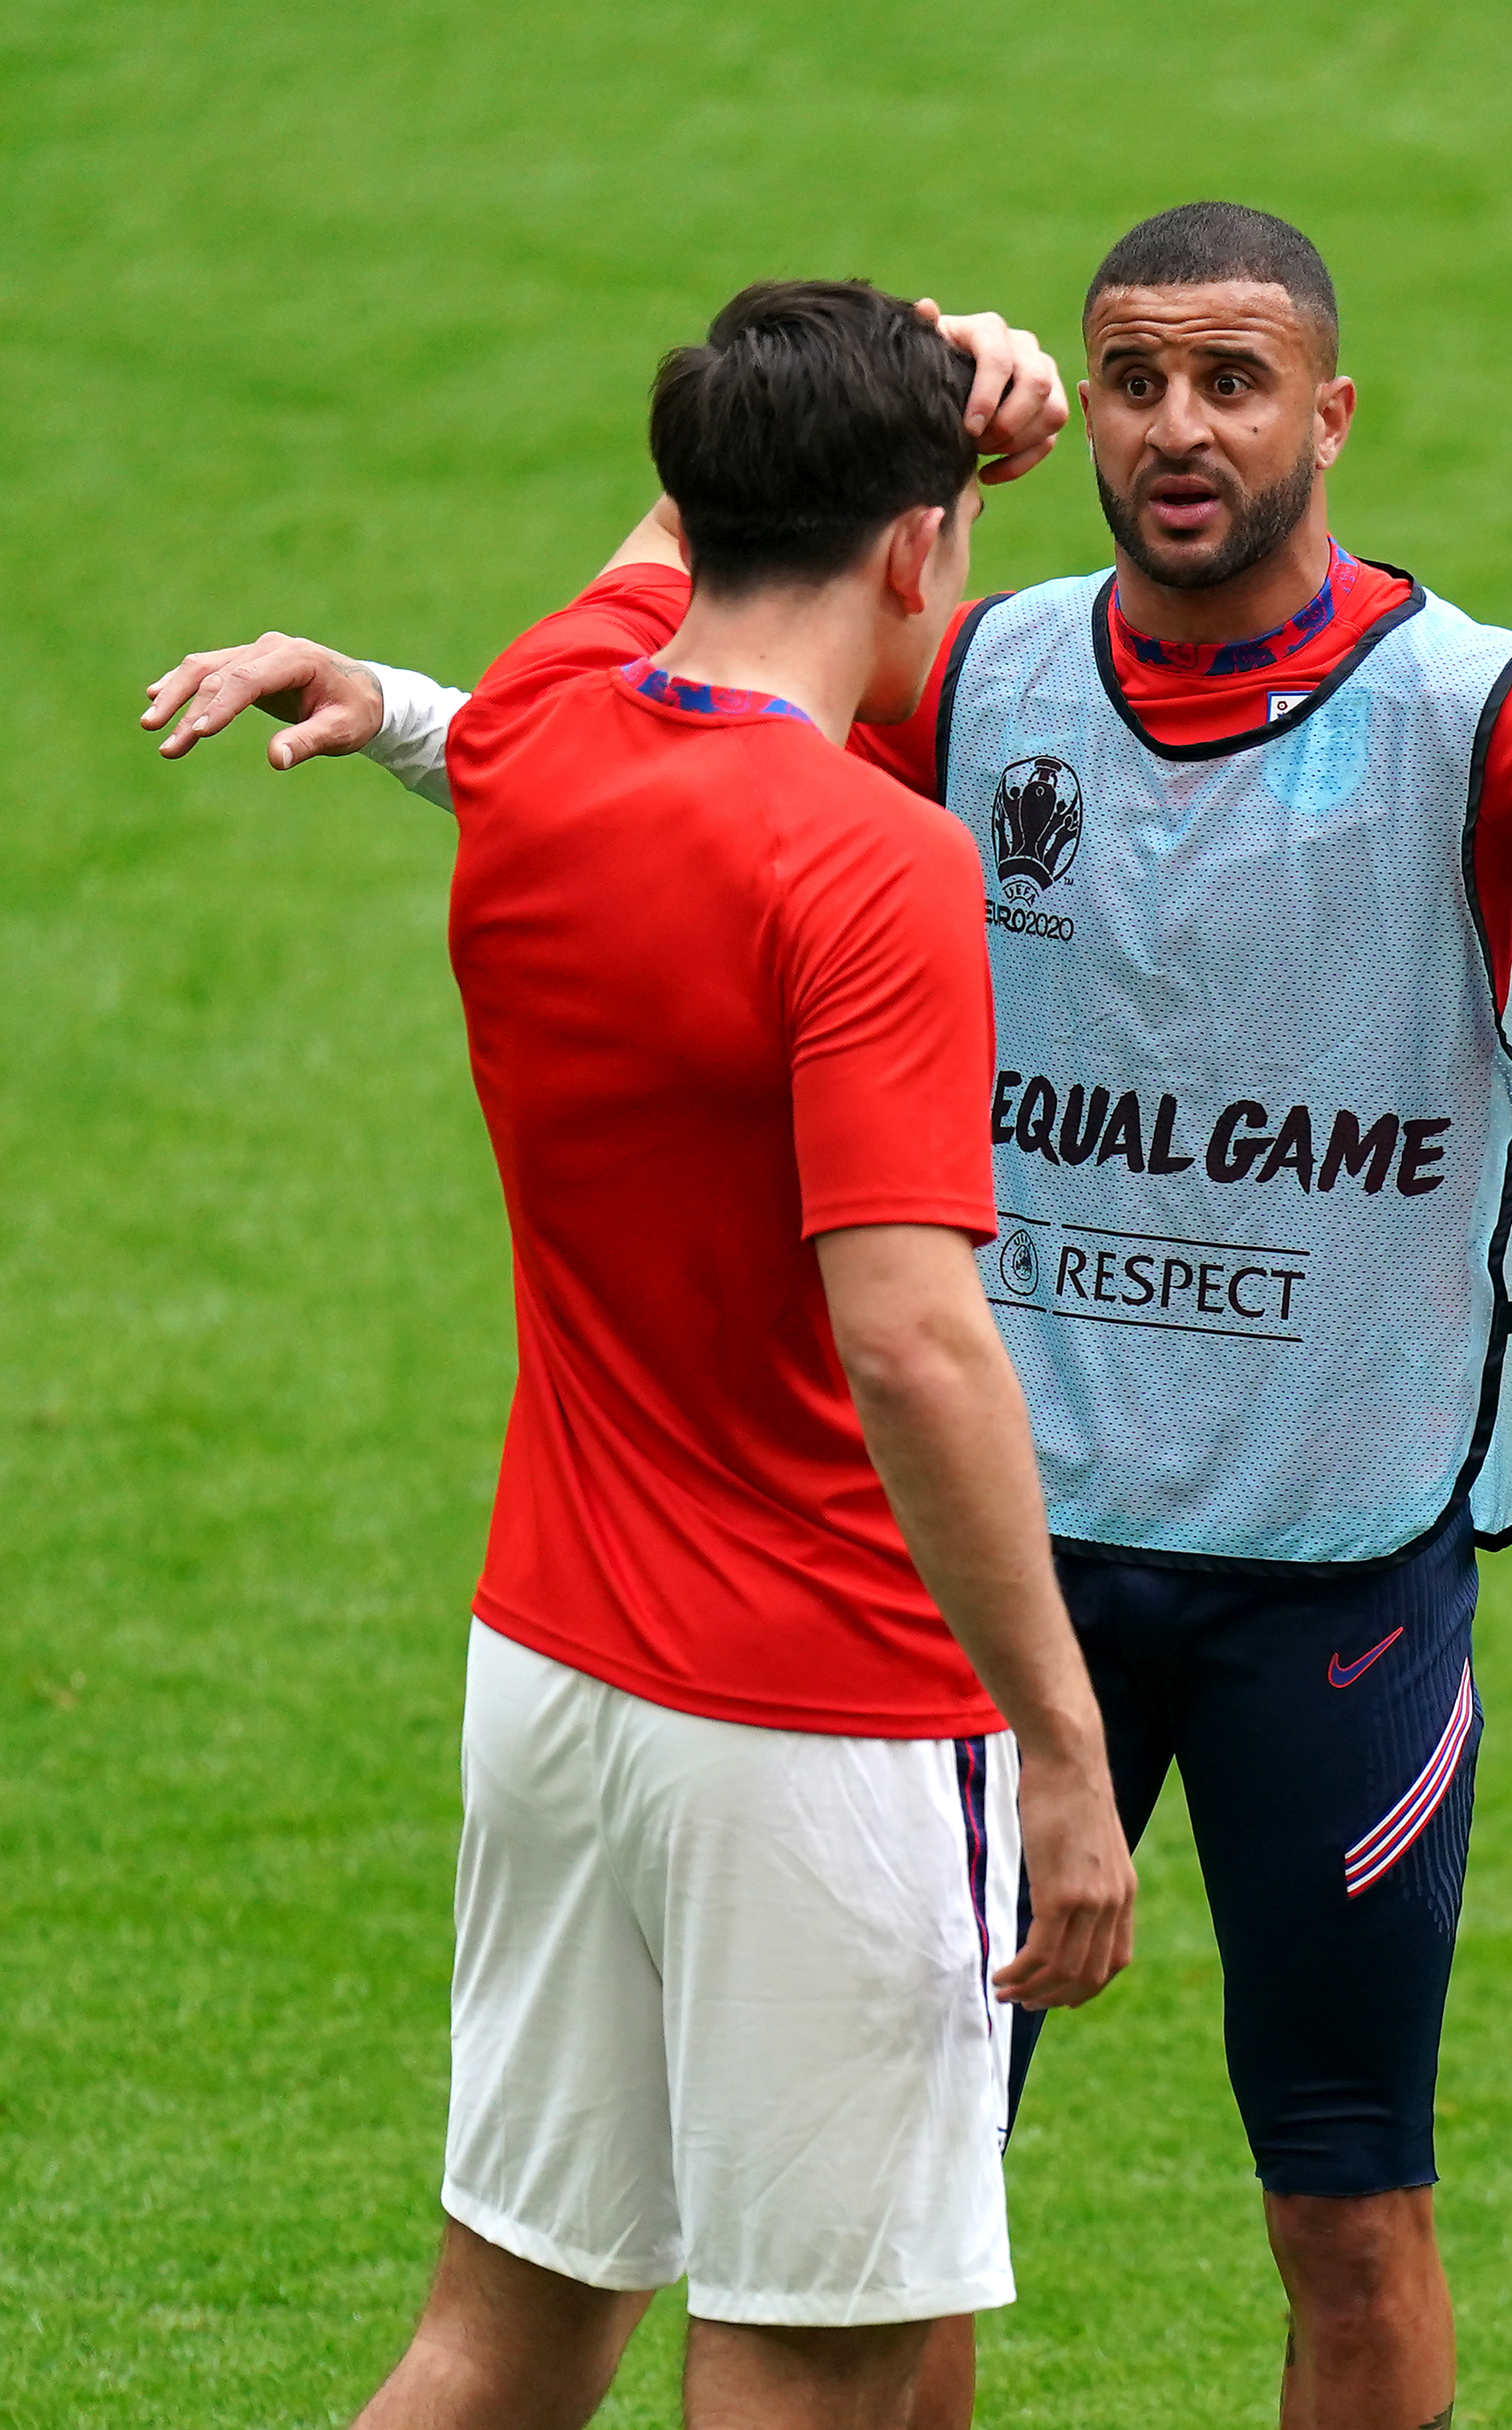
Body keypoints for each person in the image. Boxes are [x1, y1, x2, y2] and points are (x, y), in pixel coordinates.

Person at [143, 202, 1512, 2430]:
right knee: (888, 2257)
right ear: (1028, 444)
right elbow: (702, 762)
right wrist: (422, 710)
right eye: (1130, 381)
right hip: (968, 1588)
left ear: (1330, 412)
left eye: (1229, 382)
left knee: (1347, 2204)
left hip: (1324, 1583)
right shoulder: (977, 688)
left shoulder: (1463, 698)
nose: (1177, 429)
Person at [144, 281, 1140, 2428]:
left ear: (695, 502)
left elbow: (659, 542)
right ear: (917, 549)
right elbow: (913, 1340)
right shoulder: (878, 866)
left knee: (496, 2345)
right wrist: (1062, 1747)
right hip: (823, 1722)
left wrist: (896, 350)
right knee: (812, 2367)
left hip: (555, 1682)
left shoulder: (539, 719)